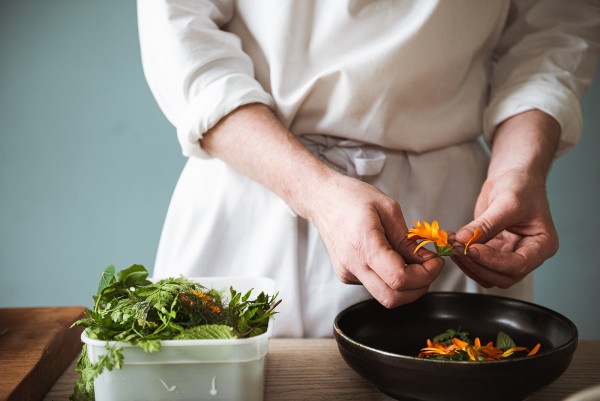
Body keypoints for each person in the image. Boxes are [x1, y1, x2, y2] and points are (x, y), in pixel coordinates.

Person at [137, 0, 600, 337]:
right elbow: (181, 33)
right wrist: (316, 191)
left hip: (454, 210)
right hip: (255, 190)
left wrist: (520, 170)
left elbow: (552, 34)